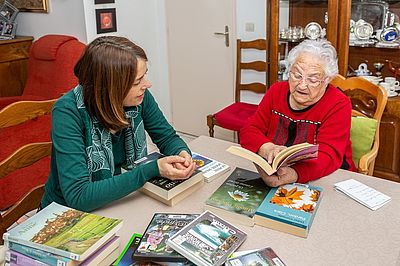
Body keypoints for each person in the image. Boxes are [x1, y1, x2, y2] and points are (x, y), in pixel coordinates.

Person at [41, 36, 196, 212]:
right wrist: (151, 170)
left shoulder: (139, 98)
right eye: (137, 81)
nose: (147, 84)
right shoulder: (68, 112)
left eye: (144, 75)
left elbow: (167, 137)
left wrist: (182, 154)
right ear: (110, 88)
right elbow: (79, 196)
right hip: (69, 213)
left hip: (121, 198)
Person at [240, 39, 356, 187]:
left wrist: (293, 174)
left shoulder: (338, 104)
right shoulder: (276, 91)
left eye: (313, 79)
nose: (302, 85)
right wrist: (268, 148)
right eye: (297, 75)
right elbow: (250, 129)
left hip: (327, 178)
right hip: (275, 172)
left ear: (327, 80)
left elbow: (328, 156)